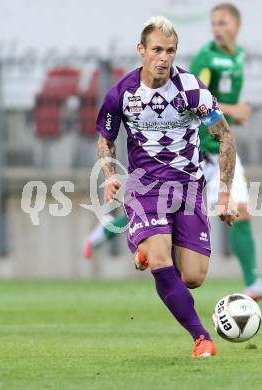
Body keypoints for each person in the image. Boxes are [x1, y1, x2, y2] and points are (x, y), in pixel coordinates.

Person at [95, 16, 237, 357]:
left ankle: (147, 247)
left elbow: (225, 137)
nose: (163, 57)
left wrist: (225, 193)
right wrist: (110, 173)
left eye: (170, 51)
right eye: (156, 49)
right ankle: (201, 338)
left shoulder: (191, 90)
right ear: (141, 50)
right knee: (161, 260)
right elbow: (106, 139)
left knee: (193, 277)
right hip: (144, 187)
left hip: (188, 187)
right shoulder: (122, 94)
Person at [190, 3, 262, 300]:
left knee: (242, 211)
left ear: (237, 26)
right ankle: (107, 231)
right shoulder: (206, 58)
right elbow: (196, 99)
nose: (217, 28)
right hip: (200, 149)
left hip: (224, 148)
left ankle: (252, 282)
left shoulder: (239, 55)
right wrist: (234, 110)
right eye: (214, 23)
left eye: (223, 23)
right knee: (160, 207)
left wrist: (233, 115)